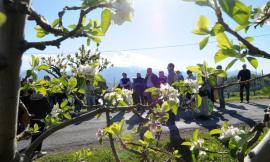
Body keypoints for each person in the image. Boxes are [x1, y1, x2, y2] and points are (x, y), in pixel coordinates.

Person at [27, 89, 51, 157]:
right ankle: (38, 152)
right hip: (41, 119)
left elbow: (28, 109)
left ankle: (31, 151)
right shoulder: (43, 98)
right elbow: (48, 109)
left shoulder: (30, 98)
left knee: (34, 136)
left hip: (32, 119)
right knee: (39, 137)